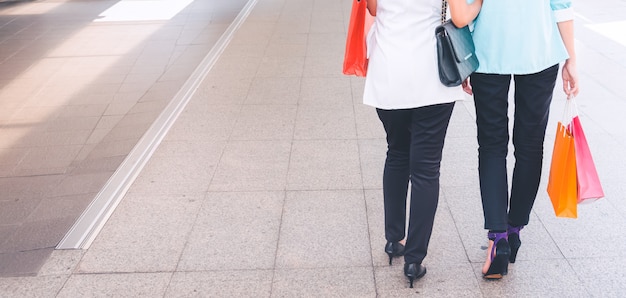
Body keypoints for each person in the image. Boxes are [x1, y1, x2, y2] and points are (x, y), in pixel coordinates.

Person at [364, 0, 482, 287]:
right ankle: (414, 260)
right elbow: (461, 16)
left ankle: (394, 240)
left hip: (388, 72)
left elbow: (373, 9)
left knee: (396, 153)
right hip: (431, 76)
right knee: (426, 170)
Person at [462, 0, 580, 279]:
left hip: (487, 49)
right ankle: (513, 230)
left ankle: (498, 239)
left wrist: (463, 57)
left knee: (491, 145)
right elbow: (561, 4)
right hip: (539, 48)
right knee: (530, 146)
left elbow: (466, 6)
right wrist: (572, 59)